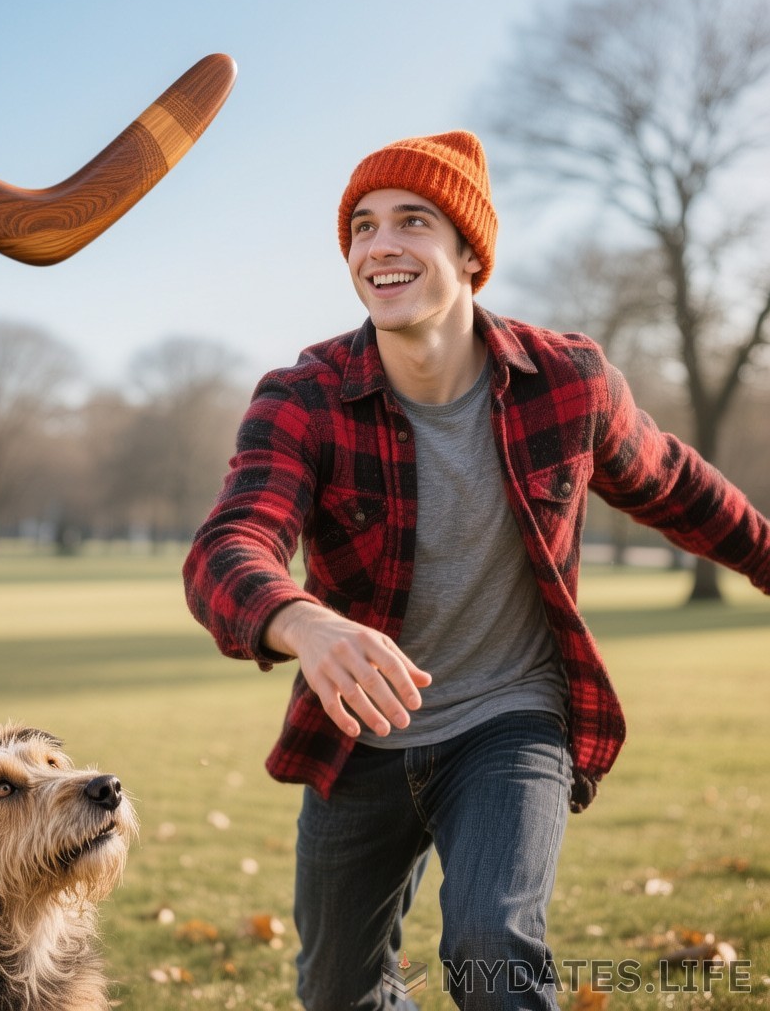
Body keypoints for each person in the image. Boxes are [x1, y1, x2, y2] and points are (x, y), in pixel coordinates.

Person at [182, 131, 770, 1010]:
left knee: (492, 946)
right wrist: (307, 623)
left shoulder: (567, 382)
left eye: (412, 222)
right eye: (362, 227)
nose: (380, 245)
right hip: (362, 739)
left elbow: (675, 486)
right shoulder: (303, 396)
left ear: (470, 254)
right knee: (339, 994)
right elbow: (229, 545)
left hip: (511, 718)